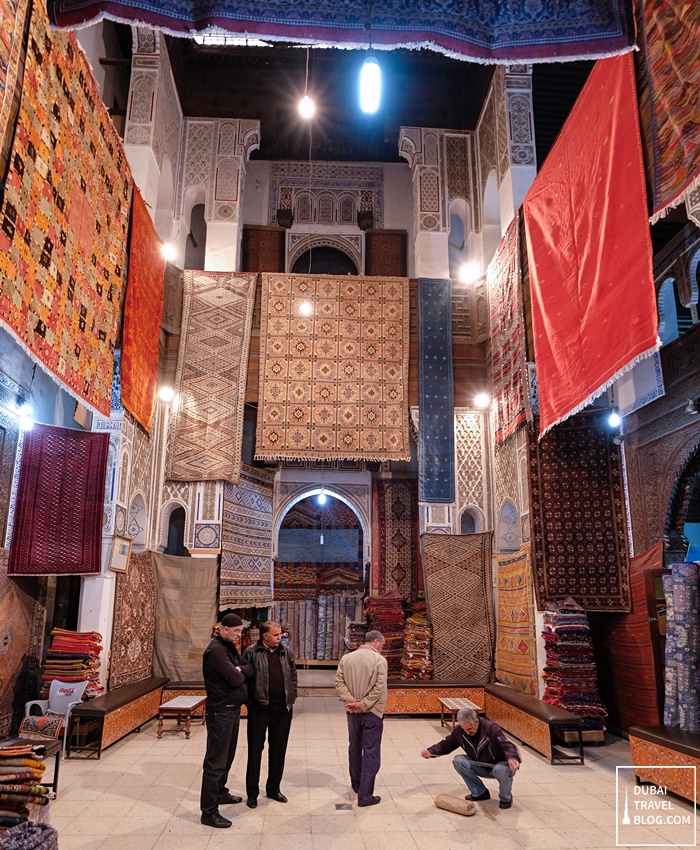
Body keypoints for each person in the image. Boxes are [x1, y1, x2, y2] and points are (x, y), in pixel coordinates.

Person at [200, 613, 253, 828]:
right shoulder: (215, 651)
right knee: (215, 762)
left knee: (228, 757)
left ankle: (221, 792)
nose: (239, 635)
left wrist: (240, 669)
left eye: (241, 631)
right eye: (236, 631)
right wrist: (240, 671)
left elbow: (249, 667)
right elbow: (236, 677)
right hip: (220, 712)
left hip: (232, 711)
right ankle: (208, 812)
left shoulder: (229, 646)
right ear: (223, 629)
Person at [420, 707, 521, 809]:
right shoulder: (460, 731)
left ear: (476, 721)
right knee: (458, 761)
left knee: (501, 769)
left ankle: (506, 798)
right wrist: (431, 751)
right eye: (465, 729)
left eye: (470, 728)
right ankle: (479, 792)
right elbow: (446, 744)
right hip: (480, 765)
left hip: (498, 766)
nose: (467, 732)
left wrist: (512, 758)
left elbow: (507, 745)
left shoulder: (491, 728)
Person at [243, 620, 297, 809]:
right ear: (264, 635)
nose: (279, 637)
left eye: (280, 634)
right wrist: (251, 702)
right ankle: (252, 793)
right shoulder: (251, 652)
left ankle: (273, 789)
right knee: (255, 750)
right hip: (259, 709)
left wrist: (292, 697)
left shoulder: (286, 653)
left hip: (282, 710)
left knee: (278, 750)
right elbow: (245, 680)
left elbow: (293, 677)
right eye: (275, 635)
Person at [334, 629, 387, 807]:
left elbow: (339, 682)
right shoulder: (380, 660)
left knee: (354, 748)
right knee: (371, 752)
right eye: (382, 645)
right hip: (372, 712)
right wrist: (363, 704)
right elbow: (379, 688)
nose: (382, 649)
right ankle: (365, 796)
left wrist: (351, 701)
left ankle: (357, 786)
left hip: (352, 711)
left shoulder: (346, 658)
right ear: (376, 642)